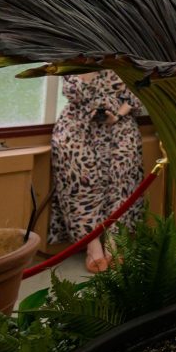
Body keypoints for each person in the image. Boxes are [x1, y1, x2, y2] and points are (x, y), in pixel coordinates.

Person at [49, 70, 145, 274]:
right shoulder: (72, 61)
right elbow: (74, 93)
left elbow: (137, 91)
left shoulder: (121, 56)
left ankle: (113, 241)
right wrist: (90, 69)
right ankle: (92, 247)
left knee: (123, 178)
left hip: (119, 125)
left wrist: (117, 115)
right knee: (80, 179)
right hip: (79, 126)